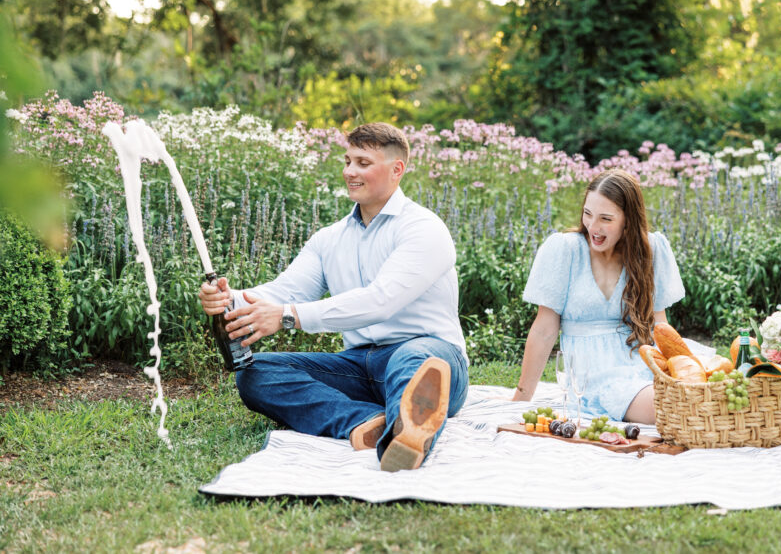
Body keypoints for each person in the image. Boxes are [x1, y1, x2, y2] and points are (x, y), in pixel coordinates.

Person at [198, 122, 468, 472]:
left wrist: (287, 315)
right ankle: (365, 422)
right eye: (347, 161)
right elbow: (286, 292)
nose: (349, 172)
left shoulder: (423, 228)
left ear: (397, 169)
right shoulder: (330, 238)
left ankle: (407, 439)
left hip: (431, 357)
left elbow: (379, 301)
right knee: (256, 372)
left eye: (362, 163)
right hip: (360, 367)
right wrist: (229, 299)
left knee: (412, 359)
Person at [511, 168, 712, 424]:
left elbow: (659, 327)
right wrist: (521, 398)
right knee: (674, 407)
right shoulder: (566, 250)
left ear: (628, 221)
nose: (593, 227)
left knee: (710, 387)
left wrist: (676, 369)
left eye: (605, 218)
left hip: (643, 359)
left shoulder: (650, 250)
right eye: (588, 214)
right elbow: (544, 330)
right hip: (594, 375)